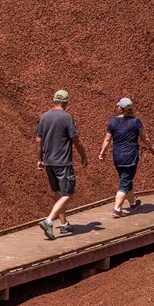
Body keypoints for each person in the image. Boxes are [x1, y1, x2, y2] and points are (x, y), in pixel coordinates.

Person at [36, 90, 88, 240]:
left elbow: (38, 141)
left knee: (58, 192)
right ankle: (48, 221)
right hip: (63, 162)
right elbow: (75, 139)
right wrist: (83, 155)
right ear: (66, 102)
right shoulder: (66, 117)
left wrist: (39, 159)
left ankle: (64, 224)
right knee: (68, 194)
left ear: (53, 100)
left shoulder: (44, 116)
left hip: (49, 162)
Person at [99, 97, 154, 217]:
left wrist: (102, 152)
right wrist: (151, 148)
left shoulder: (112, 121)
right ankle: (117, 209)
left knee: (126, 179)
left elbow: (107, 139)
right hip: (130, 157)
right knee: (124, 182)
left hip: (117, 157)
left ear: (120, 108)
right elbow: (145, 137)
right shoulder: (136, 122)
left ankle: (133, 203)